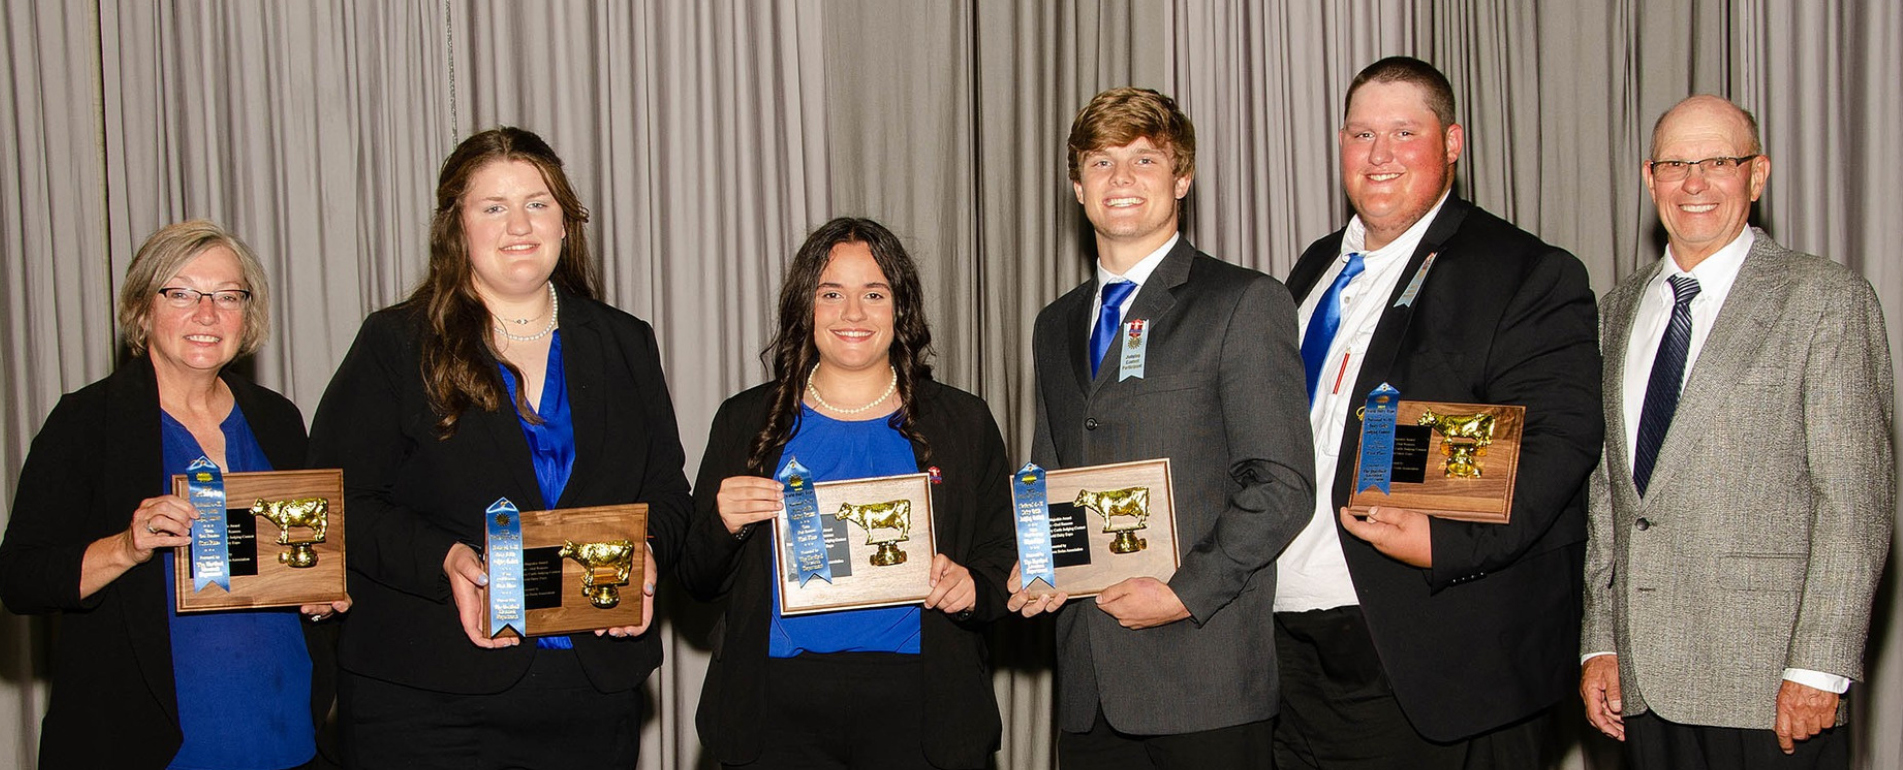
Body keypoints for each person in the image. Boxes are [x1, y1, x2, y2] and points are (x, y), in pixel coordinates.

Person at [306, 127, 692, 768]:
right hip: (427, 699)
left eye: (538, 203)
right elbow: (339, 503)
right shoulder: (397, 343)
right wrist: (445, 559)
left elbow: (668, 494)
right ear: (457, 227)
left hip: (590, 696)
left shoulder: (625, 342)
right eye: (493, 207)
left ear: (565, 222)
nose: (520, 224)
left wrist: (647, 553)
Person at [1275, 56, 1601, 767]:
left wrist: (1449, 544)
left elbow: (1563, 438)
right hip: (1287, 648)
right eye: (1360, 135)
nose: (1378, 155)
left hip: (1430, 650)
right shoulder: (1311, 269)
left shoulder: (1522, 270)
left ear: (1451, 143)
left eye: (1402, 132)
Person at [1579, 95, 1894, 770]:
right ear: (1649, 177)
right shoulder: (1614, 311)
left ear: (1756, 176)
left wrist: (1819, 666)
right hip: (1638, 687)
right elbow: (1607, 499)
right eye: (1675, 164)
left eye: (1717, 161)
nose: (1693, 183)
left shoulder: (1823, 301)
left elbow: (1854, 504)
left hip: (1770, 686)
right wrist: (1600, 641)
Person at [1012, 87, 1314, 770]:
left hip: (1203, 679)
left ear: (1181, 178)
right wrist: (1038, 563)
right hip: (1087, 683)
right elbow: (1049, 472)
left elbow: (1280, 484)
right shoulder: (1053, 323)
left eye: (1143, 160)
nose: (1119, 180)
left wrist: (1183, 592)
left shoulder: (1242, 301)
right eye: (1099, 162)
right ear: (1076, 184)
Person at [0, 220, 348, 769]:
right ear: (142, 309)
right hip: (145, 746)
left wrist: (320, 597)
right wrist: (126, 546)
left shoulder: (278, 419)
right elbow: (19, 578)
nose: (207, 314)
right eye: (182, 293)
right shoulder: (88, 422)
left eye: (228, 296)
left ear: (247, 316)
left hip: (286, 737)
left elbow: (296, 561)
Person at [680, 217, 1015, 769]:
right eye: (831, 293)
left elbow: (1004, 555)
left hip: (923, 706)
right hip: (777, 709)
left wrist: (973, 587)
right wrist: (724, 523)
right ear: (804, 307)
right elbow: (695, 578)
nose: (852, 314)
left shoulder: (963, 421)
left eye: (873, 294)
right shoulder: (746, 420)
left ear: (899, 308)